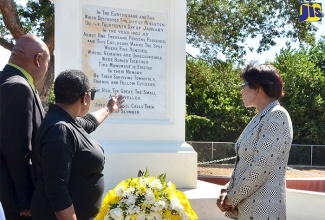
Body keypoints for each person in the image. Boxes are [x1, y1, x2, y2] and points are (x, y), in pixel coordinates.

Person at [31, 69, 124, 220]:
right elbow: (57, 190)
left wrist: (108, 108)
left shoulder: (66, 121)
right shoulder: (60, 129)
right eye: (91, 94)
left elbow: (89, 121)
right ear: (84, 97)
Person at [216, 64, 293, 220]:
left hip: (263, 211)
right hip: (248, 209)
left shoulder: (276, 116)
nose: (241, 91)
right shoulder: (263, 116)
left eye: (243, 85)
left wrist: (232, 198)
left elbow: (260, 166)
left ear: (257, 88)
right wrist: (227, 191)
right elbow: (245, 163)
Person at [0, 34, 50, 219]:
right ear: (38, 59)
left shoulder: (6, 80)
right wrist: (25, 199)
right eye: (47, 63)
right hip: (17, 203)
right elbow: (16, 150)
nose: (46, 69)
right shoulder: (18, 88)